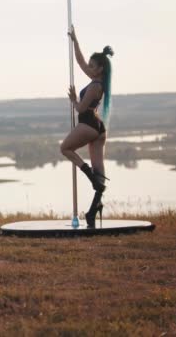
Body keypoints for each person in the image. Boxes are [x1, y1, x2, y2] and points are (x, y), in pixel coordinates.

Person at [60, 25, 114, 227]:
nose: (88, 68)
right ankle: (93, 210)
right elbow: (81, 62)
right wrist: (75, 41)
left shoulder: (93, 87)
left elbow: (81, 109)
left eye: (92, 66)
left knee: (65, 148)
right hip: (99, 129)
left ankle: (89, 174)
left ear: (100, 69)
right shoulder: (98, 82)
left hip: (89, 125)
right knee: (101, 174)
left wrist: (74, 99)